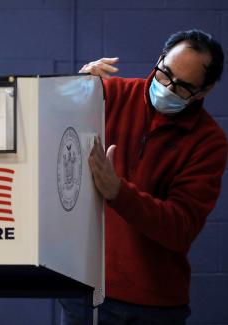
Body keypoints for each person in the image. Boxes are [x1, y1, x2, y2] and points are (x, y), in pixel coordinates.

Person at [60, 29, 228, 324]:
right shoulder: (110, 93)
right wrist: (74, 89)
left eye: (183, 87)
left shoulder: (209, 142)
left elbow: (181, 228)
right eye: (165, 73)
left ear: (205, 91)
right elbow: (52, 139)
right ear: (160, 58)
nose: (167, 87)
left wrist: (118, 192)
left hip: (154, 305)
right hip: (87, 293)